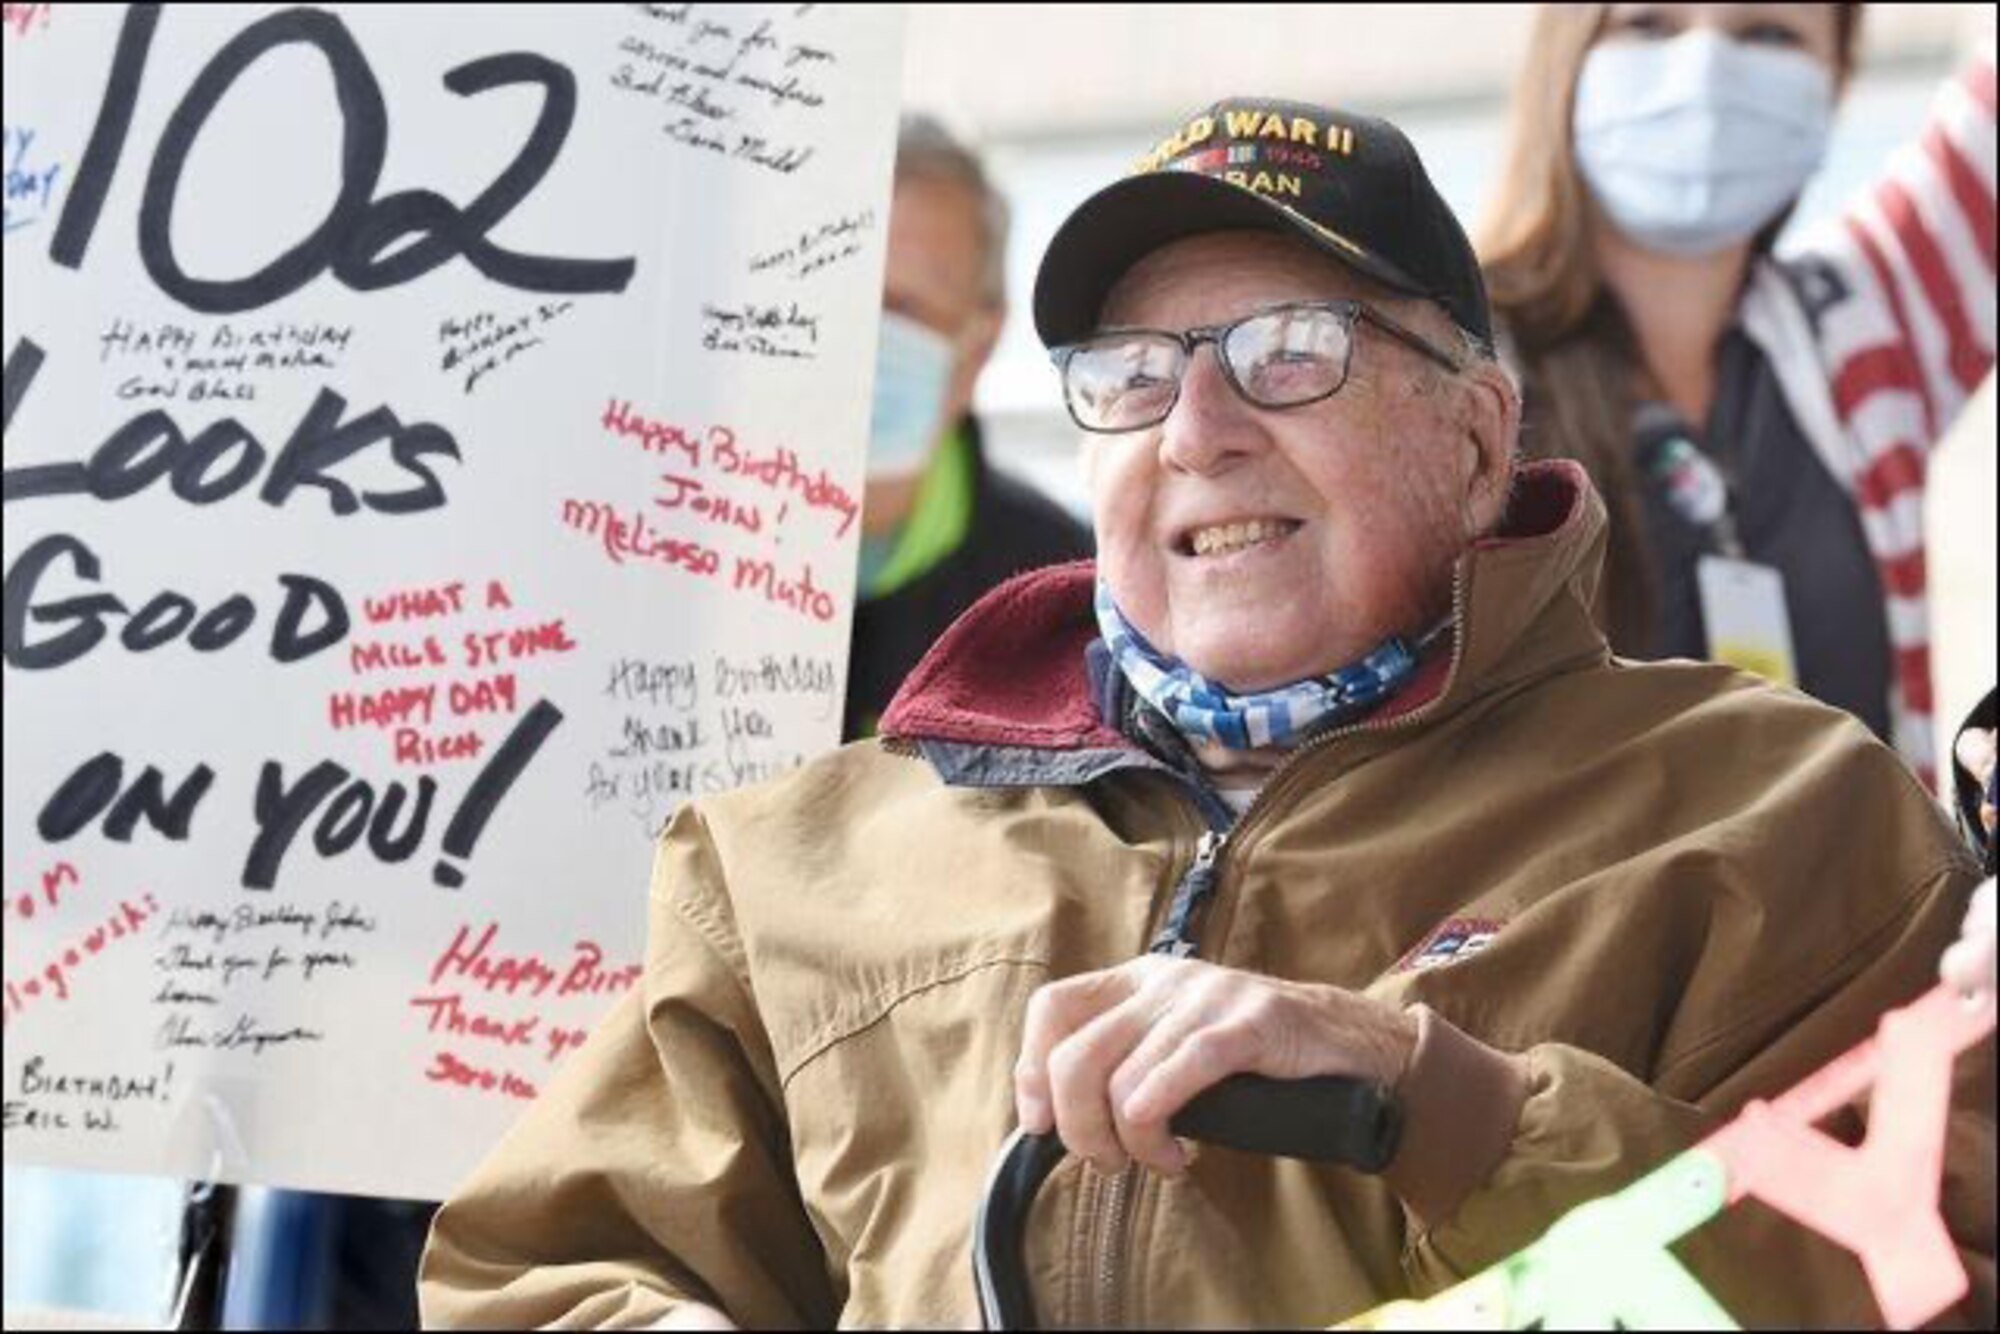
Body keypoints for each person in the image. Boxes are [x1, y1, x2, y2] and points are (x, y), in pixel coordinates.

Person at [419, 97, 1992, 1328]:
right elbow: (542, 1271)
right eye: (1129, 373)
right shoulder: (802, 852)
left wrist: (1447, 1102)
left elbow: (1926, 1278)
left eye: (1291, 355)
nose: (1199, 431)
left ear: (1476, 434)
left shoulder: (1781, 814)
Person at [1477, 3, 1996, 788]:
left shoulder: (1869, 320)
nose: (1705, 70)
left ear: (1836, 83)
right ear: (1564, 56)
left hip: (1880, 905)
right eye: (1650, 24)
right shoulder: (1448, 367)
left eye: (1771, 33)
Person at [846, 113, 1093, 739]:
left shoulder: (1058, 586)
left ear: (979, 345)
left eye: (902, 308)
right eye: (840, 294)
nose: (858, 336)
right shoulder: (670, 523)